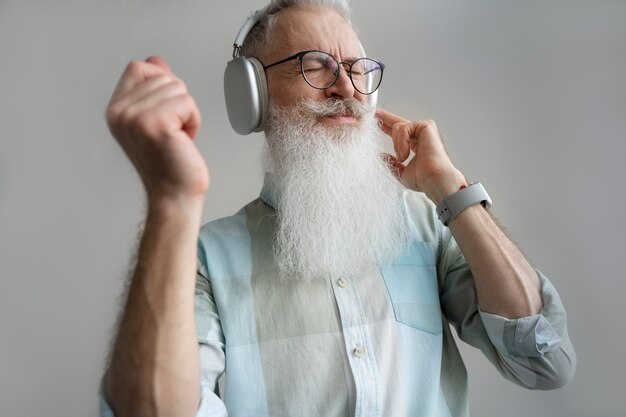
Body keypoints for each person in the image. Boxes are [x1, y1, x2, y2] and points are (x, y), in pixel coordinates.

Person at [100, 1, 576, 416]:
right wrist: (171, 198)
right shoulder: (207, 258)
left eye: (357, 68)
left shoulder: (430, 224)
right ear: (255, 98)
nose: (346, 89)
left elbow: (543, 359)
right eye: (316, 66)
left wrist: (450, 189)